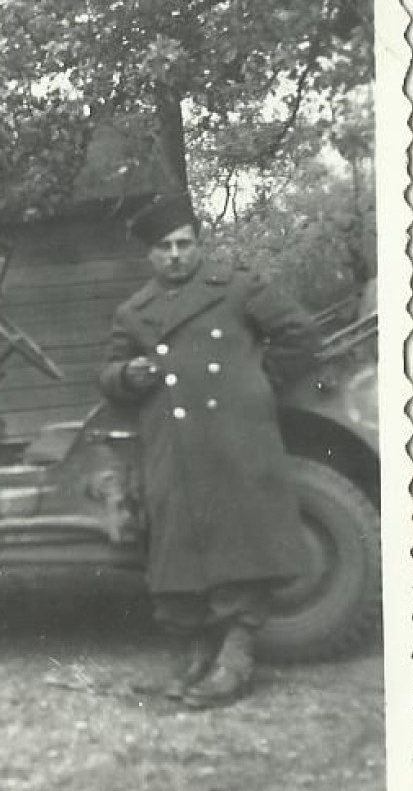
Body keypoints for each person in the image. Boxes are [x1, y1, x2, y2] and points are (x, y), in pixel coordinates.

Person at [99, 193, 320, 709]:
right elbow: (107, 375)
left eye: (184, 244)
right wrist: (126, 376)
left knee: (237, 544)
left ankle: (235, 659)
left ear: (198, 244)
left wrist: (258, 384)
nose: (176, 255)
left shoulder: (237, 289)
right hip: (172, 448)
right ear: (149, 255)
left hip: (233, 439)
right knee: (179, 550)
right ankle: (195, 656)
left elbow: (301, 335)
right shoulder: (134, 312)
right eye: (164, 248)